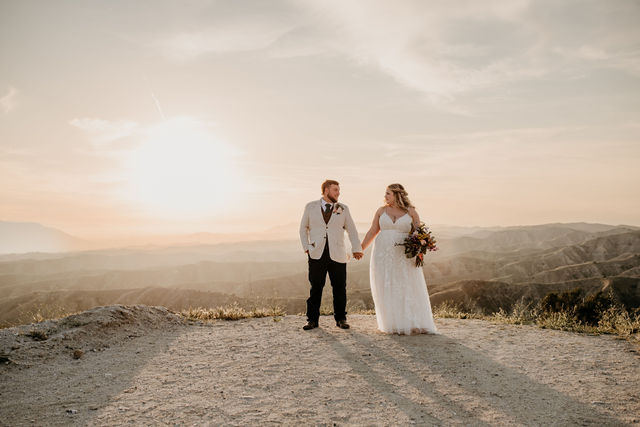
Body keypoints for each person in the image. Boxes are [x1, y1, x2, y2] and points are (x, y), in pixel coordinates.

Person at [361, 184, 438, 335]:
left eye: (388, 193)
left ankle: (411, 322)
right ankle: (392, 323)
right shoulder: (381, 211)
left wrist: (421, 245)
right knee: (386, 284)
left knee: (406, 285)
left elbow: (419, 233)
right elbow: (372, 231)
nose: (385, 196)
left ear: (397, 195)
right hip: (382, 254)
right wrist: (360, 249)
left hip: (403, 255)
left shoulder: (411, 212)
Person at [299, 180, 363, 330]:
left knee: (339, 288)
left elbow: (352, 230)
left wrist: (356, 248)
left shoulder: (343, 208)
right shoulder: (310, 206)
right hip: (316, 253)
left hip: (338, 254)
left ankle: (341, 319)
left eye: (338, 190)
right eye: (335, 190)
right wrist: (306, 247)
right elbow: (303, 228)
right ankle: (312, 320)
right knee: (316, 287)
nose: (338, 193)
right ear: (326, 190)